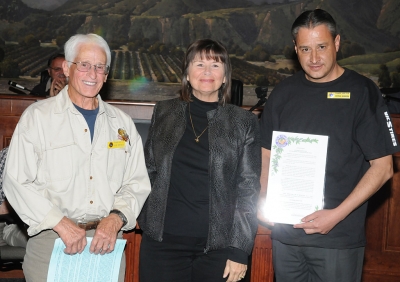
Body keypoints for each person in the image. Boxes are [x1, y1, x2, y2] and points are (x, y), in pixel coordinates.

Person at [258, 9, 399, 282]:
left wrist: (335, 216)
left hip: (338, 237)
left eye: (321, 47)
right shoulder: (283, 93)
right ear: (295, 50)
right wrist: (265, 199)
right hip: (286, 236)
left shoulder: (362, 92)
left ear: (336, 43)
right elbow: (266, 153)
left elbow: (383, 168)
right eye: (305, 49)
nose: (313, 58)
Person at [3, 33, 151, 281]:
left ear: (106, 74)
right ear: (67, 68)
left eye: (99, 67)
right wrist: (60, 223)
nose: (92, 74)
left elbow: (136, 183)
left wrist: (115, 220)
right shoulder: (37, 118)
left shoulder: (122, 125)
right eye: (84, 65)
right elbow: (16, 181)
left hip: (107, 244)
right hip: (52, 240)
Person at [138, 39, 261, 282]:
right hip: (163, 246)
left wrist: (239, 250)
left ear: (225, 76)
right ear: (187, 73)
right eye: (199, 64)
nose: (207, 72)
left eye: (216, 65)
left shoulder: (243, 122)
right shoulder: (163, 112)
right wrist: (145, 220)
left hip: (220, 249)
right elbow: (149, 171)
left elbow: (248, 188)